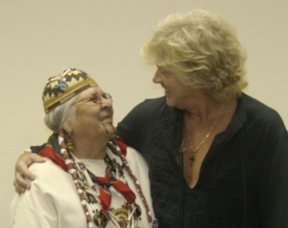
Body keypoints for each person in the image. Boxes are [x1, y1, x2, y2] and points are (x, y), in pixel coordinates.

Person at [14, 9, 288, 227]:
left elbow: (279, 217)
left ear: (196, 72)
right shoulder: (150, 118)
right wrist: (36, 153)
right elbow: (93, 141)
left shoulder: (263, 129)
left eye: (164, 71)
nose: (156, 79)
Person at [10, 68, 157, 228]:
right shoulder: (40, 180)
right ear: (66, 122)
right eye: (93, 99)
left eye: (104, 96)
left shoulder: (132, 161)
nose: (107, 103)